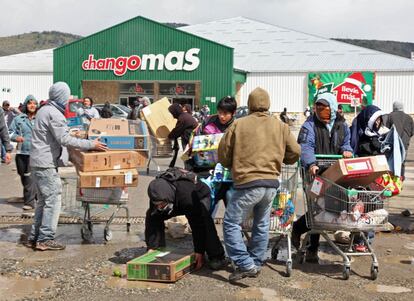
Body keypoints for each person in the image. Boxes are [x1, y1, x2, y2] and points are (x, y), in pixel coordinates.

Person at [218, 87, 300, 282]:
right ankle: (255, 261)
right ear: (268, 103)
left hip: (248, 183)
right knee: (261, 224)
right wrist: (283, 159)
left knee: (230, 223)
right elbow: (295, 151)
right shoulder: (280, 126)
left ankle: (245, 263)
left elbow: (223, 154)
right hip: (271, 184)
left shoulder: (239, 124)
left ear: (250, 103)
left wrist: (232, 163)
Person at [27, 82, 107, 251]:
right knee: (53, 200)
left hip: (37, 161)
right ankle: (45, 238)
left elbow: (58, 135)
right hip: (45, 163)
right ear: (61, 96)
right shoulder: (54, 113)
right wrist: (90, 144)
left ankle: (35, 237)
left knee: (43, 201)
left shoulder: (44, 110)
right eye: (67, 95)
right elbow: (64, 139)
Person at [292, 93, 353, 263]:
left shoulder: (342, 124)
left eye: (324, 107)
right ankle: (310, 244)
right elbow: (306, 147)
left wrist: (346, 151)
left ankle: (303, 230)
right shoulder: (309, 125)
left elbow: (346, 143)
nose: (321, 111)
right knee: (317, 209)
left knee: (332, 207)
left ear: (332, 108)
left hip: (335, 173)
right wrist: (311, 163)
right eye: (318, 107)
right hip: (315, 174)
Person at [145, 169, 226, 270]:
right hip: (173, 200)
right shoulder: (156, 194)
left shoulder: (186, 195)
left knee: (204, 220)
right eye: (157, 204)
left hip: (199, 196)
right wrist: (152, 246)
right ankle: (158, 248)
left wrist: (199, 251)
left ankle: (217, 256)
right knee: (153, 215)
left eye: (161, 204)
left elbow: (197, 224)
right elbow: (153, 217)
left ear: (167, 198)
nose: (159, 206)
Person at [350, 105, 389, 252]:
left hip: (375, 181)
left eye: (380, 120)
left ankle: (366, 240)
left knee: (373, 209)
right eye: (376, 119)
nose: (378, 123)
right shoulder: (358, 132)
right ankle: (359, 239)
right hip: (361, 180)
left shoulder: (378, 136)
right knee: (359, 209)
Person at [8, 95, 39, 210]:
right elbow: (10, 132)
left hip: (35, 153)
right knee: (23, 176)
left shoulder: (40, 119)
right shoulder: (19, 119)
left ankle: (29, 203)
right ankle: (35, 195)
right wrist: (16, 137)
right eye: (30, 103)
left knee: (29, 177)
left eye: (34, 103)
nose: (32, 105)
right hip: (22, 152)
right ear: (26, 105)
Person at [386, 101, 414, 178]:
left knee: (391, 160)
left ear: (394, 106)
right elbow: (412, 132)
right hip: (404, 144)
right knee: (402, 161)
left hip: (392, 143)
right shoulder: (409, 118)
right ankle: (401, 178)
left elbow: (386, 130)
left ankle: (391, 178)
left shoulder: (389, 116)